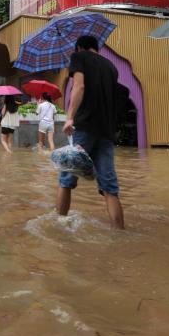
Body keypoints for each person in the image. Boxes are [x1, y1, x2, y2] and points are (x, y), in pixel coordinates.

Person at [58, 35, 125, 230]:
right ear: (96, 47)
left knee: (66, 179)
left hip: (85, 126)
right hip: (106, 131)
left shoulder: (79, 57)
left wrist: (70, 116)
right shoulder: (111, 67)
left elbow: (79, 86)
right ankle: (120, 233)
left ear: (79, 47)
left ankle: (58, 226)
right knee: (109, 187)